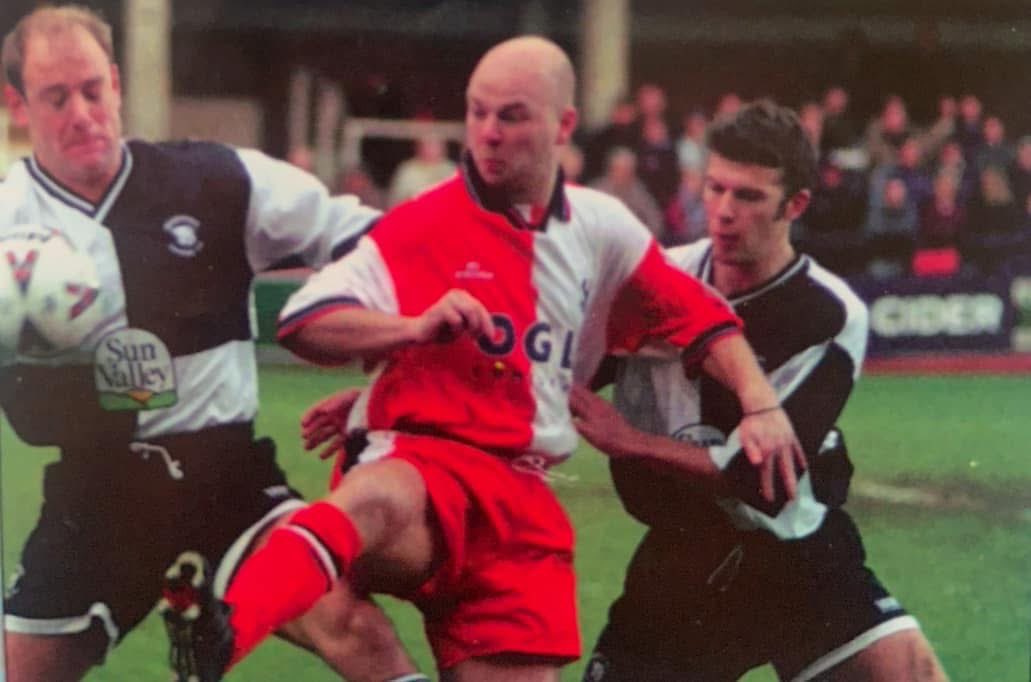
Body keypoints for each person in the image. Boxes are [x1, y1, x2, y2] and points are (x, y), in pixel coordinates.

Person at [160, 36, 806, 682]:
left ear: (564, 126)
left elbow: (703, 318)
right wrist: (409, 330)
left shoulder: (600, 228)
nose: (488, 133)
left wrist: (761, 404)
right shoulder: (421, 224)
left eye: (511, 116)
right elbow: (303, 321)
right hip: (424, 461)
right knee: (373, 501)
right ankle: (221, 635)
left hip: (521, 511)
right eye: (477, 113)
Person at [0, 5, 421, 681]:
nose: (81, 113)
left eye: (91, 90)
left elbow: (366, 237)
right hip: (96, 492)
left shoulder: (215, 179)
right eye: (55, 98)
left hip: (224, 475)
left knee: (351, 625)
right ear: (17, 105)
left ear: (115, 84)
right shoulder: (7, 226)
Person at [572, 100, 948, 681]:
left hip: (795, 557)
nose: (722, 212)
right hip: (683, 556)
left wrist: (631, 443)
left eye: (747, 197)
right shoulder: (655, 284)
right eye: (715, 188)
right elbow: (561, 372)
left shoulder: (829, 312)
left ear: (794, 204)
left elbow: (761, 480)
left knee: (912, 673)